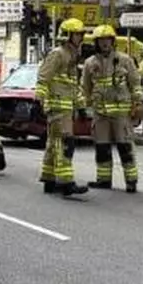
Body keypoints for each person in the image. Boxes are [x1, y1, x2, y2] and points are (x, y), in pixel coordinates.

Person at [82, 24, 143, 192]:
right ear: (96, 42)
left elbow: (135, 84)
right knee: (102, 149)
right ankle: (103, 179)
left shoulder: (125, 60)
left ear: (112, 41)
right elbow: (85, 89)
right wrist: (83, 108)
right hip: (100, 114)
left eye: (107, 40)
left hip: (121, 114)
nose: (104, 43)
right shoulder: (89, 63)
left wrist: (138, 103)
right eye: (101, 40)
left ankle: (131, 181)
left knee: (125, 148)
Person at [36, 18, 88, 197]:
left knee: (53, 144)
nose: (80, 37)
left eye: (81, 34)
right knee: (66, 143)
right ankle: (66, 183)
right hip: (58, 106)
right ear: (67, 35)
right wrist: (40, 100)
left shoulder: (72, 55)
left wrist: (81, 106)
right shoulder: (58, 54)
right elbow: (43, 78)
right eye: (77, 34)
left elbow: (73, 84)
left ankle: (49, 179)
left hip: (65, 107)